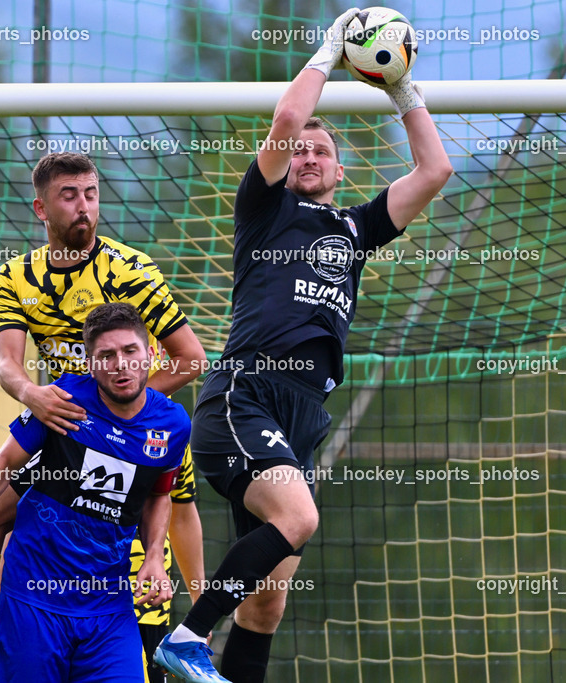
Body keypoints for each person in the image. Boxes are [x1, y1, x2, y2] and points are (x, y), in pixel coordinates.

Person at [154, 9, 453, 683]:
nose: (309, 156)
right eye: (301, 152)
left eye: (322, 151)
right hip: (246, 395)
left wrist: (401, 87)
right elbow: (289, 119)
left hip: (304, 415)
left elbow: (435, 169)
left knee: (268, 602)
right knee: (299, 516)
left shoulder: (356, 228)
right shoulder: (265, 210)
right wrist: (331, 48)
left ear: (341, 169)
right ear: (285, 164)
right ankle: (188, 635)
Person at [0, 153, 207, 683]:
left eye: (91, 194)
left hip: (139, 429)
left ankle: (194, 631)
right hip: (65, 432)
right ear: (41, 208)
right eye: (69, 196)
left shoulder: (131, 270)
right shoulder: (14, 277)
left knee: (167, 521)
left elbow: (190, 359)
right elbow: (7, 364)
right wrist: (34, 395)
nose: (84, 207)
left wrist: (119, 412)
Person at [0, 302, 191, 681]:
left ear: (151, 354)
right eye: (106, 356)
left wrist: (154, 553)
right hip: (33, 602)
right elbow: (3, 461)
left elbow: (158, 495)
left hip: (110, 609)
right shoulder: (63, 400)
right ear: (90, 364)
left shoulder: (173, 424)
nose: (120, 364)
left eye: (130, 351)